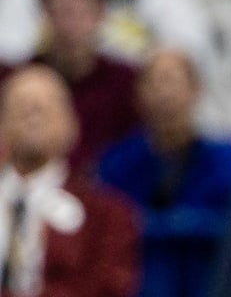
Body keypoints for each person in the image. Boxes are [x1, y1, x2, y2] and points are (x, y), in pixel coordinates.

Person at [97, 48, 231, 297]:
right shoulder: (118, 162)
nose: (165, 94)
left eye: (173, 82)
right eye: (154, 83)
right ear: (138, 94)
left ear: (196, 90)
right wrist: (186, 224)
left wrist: (156, 224)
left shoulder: (224, 157)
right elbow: (109, 231)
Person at [0, 64, 141, 297]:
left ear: (71, 124)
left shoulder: (108, 216)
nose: (33, 119)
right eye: (22, 108)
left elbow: (109, 288)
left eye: (43, 110)